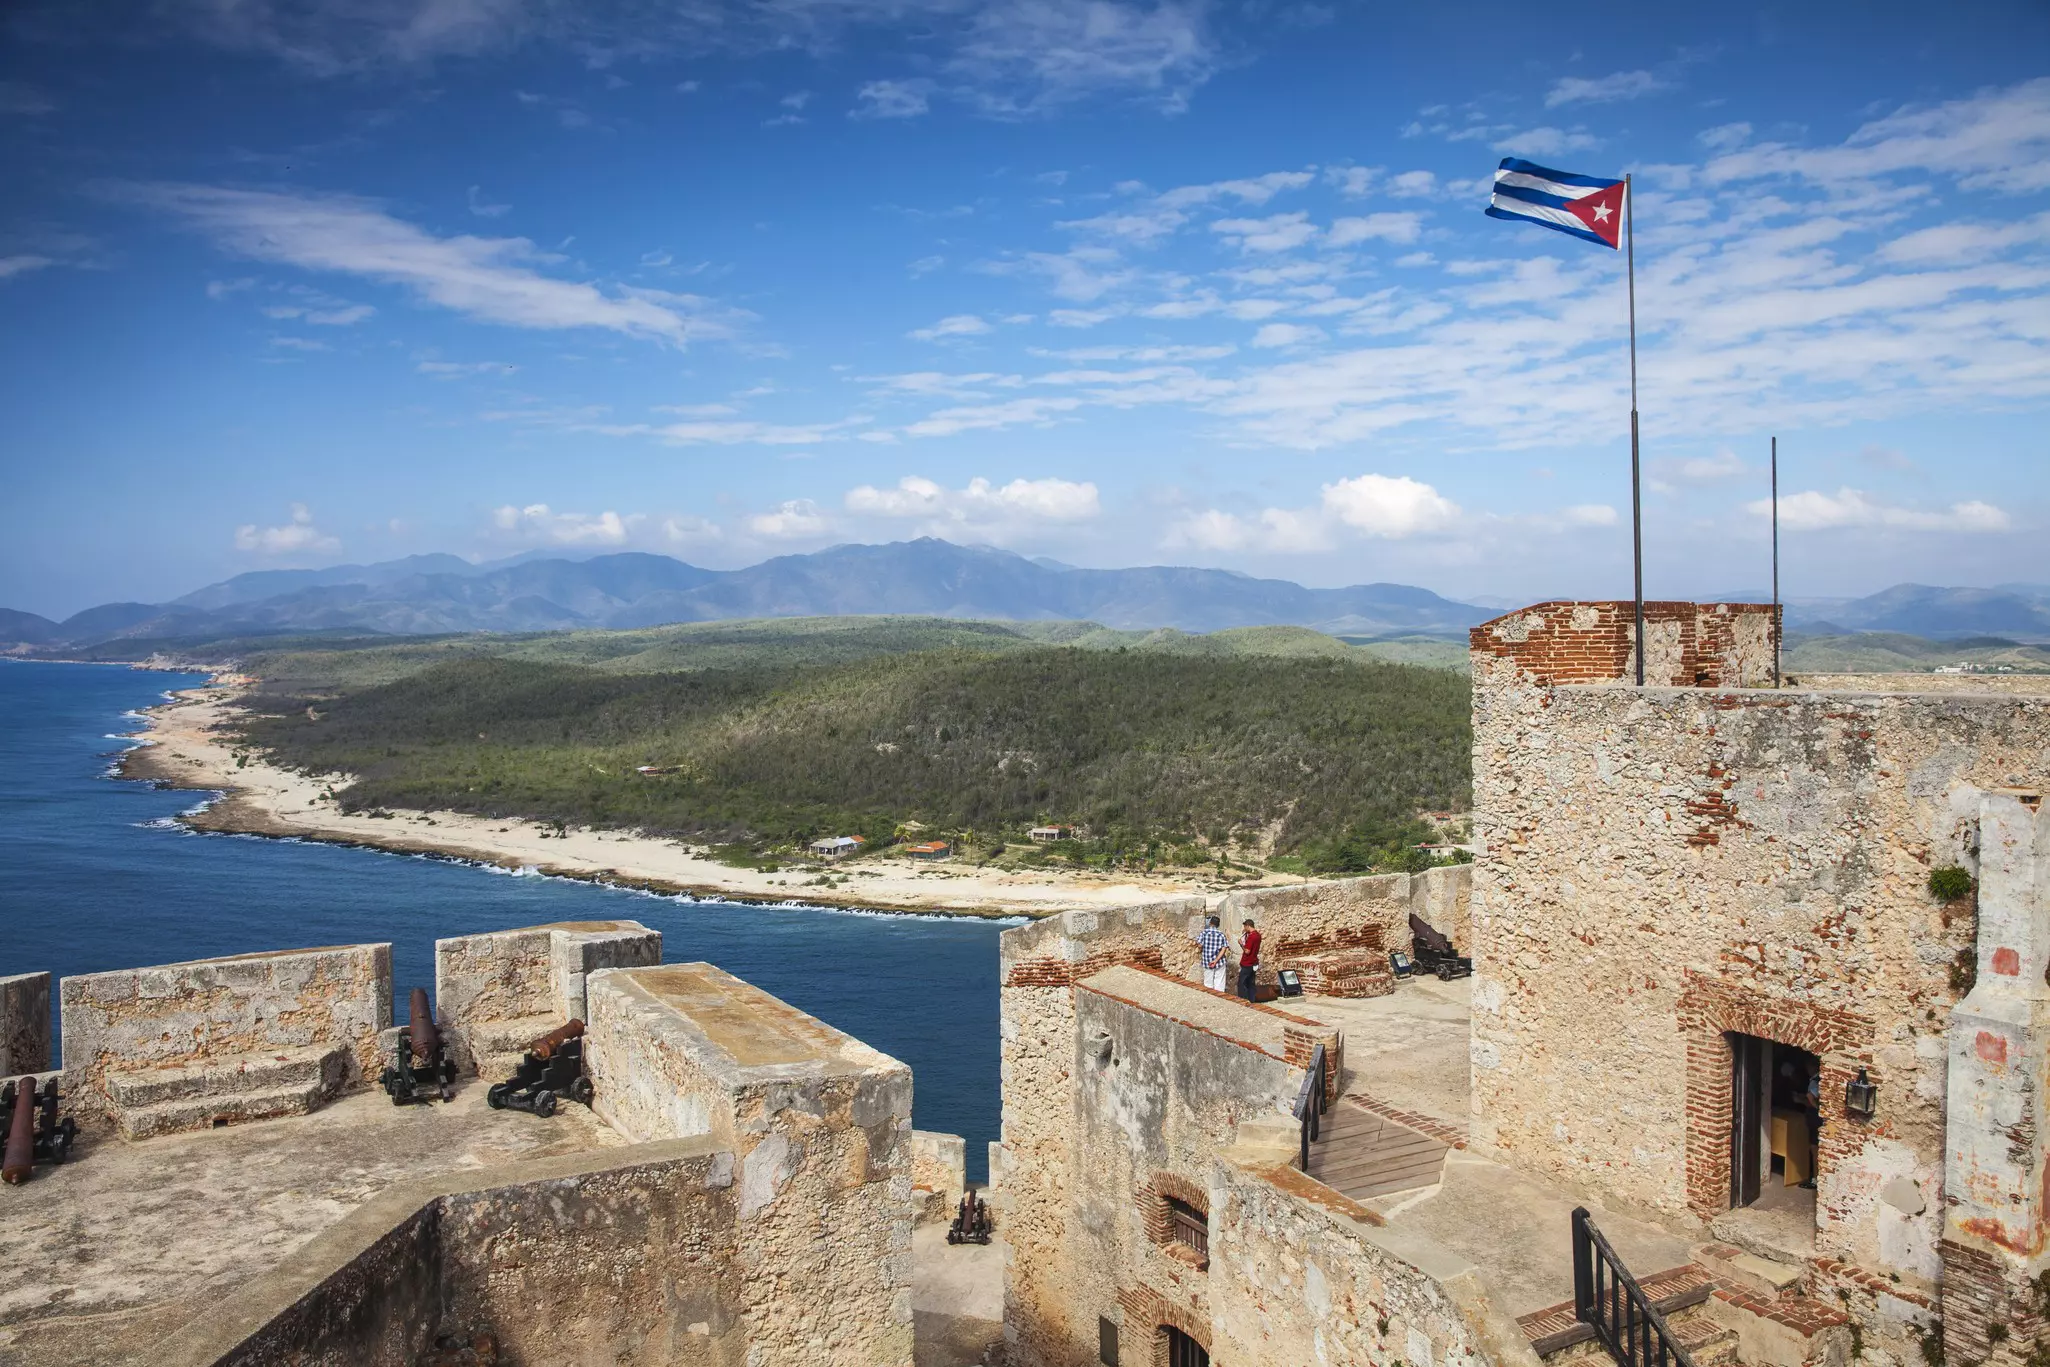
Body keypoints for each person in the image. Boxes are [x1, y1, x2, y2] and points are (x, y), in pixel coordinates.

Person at [1196, 915, 1229, 992]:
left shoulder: (1204, 933)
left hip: (1207, 961)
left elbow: (1200, 945)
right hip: (1219, 962)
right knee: (1219, 983)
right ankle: (1220, 1000)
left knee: (1208, 983)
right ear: (1218, 925)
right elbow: (1224, 949)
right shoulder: (1221, 934)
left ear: (1210, 923)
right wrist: (1216, 960)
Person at [1237, 918, 1262, 1002]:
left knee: (1242, 983)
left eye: (1245, 927)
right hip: (1254, 962)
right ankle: (1252, 1000)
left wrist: (1241, 944)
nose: (1244, 929)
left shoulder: (1251, 937)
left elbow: (1247, 951)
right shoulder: (1258, 935)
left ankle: (1243, 1001)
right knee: (1251, 983)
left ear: (1248, 926)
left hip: (1247, 963)